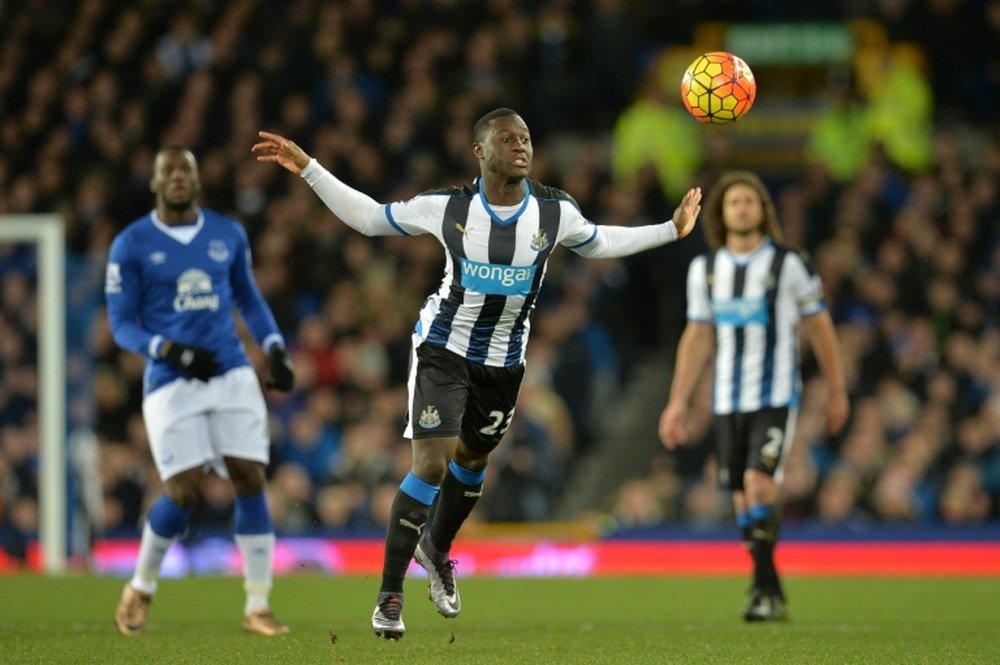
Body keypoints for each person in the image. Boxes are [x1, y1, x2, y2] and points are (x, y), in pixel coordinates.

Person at [252, 107, 702, 640]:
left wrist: (671, 230)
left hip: (505, 361)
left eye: (527, 137)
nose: (521, 145)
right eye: (507, 138)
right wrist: (309, 168)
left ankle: (437, 549)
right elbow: (372, 218)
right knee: (433, 464)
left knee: (472, 463)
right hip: (445, 345)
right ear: (480, 152)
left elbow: (601, 242)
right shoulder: (447, 207)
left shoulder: (555, 212)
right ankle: (389, 596)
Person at [106, 145, 295, 637]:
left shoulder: (226, 233)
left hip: (230, 372)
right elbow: (121, 324)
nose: (177, 178)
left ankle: (258, 605)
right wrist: (166, 350)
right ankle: (142, 586)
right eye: (167, 170)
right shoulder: (131, 243)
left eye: (185, 169)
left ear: (197, 179)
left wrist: (274, 349)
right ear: (154, 182)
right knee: (184, 491)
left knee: (249, 476)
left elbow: (249, 298)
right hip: (171, 381)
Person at [658, 170, 850, 622]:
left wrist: (837, 389)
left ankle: (763, 591)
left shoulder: (789, 263)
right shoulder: (704, 269)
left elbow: (820, 326)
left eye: (749, 201)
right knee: (743, 501)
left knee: (759, 483)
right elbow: (698, 336)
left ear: (764, 209)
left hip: (776, 395)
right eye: (733, 202)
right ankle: (769, 586)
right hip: (727, 400)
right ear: (721, 214)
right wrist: (678, 401)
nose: (741, 208)